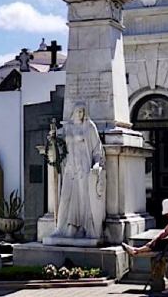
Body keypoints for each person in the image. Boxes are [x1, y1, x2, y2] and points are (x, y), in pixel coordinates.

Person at [51, 103, 106, 240]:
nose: (80, 114)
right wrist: (52, 136)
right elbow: (57, 141)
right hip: (70, 167)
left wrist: (97, 163)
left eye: (82, 111)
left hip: (84, 167)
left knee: (83, 199)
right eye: (78, 111)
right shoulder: (67, 128)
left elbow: (97, 148)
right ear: (73, 112)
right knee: (65, 198)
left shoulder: (89, 127)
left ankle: (82, 227)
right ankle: (60, 228)